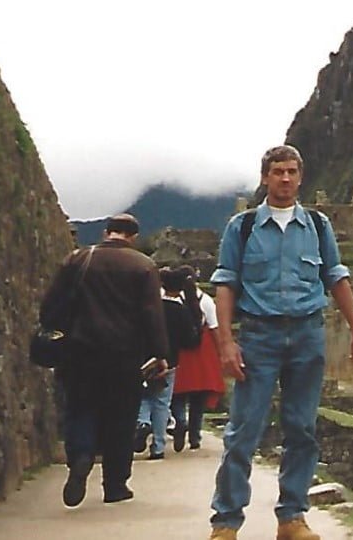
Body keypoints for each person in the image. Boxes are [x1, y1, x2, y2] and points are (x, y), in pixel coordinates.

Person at [208, 145, 353, 540]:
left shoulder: (317, 226)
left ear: (300, 177)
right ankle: (226, 522)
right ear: (265, 177)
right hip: (259, 335)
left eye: (292, 171)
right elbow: (226, 283)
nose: (285, 178)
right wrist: (226, 342)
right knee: (244, 429)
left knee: (301, 428)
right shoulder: (242, 228)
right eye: (277, 171)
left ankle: (292, 517)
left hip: (306, 334)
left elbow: (335, 276)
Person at [39, 213, 169, 507]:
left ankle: (81, 457)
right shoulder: (143, 266)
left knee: (80, 408)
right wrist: (160, 353)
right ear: (133, 237)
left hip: (79, 351)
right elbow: (152, 314)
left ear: (106, 232)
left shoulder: (77, 259)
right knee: (121, 419)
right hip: (124, 356)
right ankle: (115, 484)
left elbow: (50, 307)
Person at [134, 266, 199, 459]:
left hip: (145, 359)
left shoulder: (151, 307)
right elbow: (190, 341)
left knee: (143, 395)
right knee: (162, 403)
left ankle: (143, 422)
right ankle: (159, 446)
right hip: (170, 361)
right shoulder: (182, 311)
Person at [171, 267, 225, 452]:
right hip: (202, 353)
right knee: (198, 400)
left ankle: (179, 421)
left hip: (179, 352)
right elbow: (215, 328)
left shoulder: (172, 298)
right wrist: (221, 354)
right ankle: (195, 436)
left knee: (175, 395)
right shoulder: (207, 301)